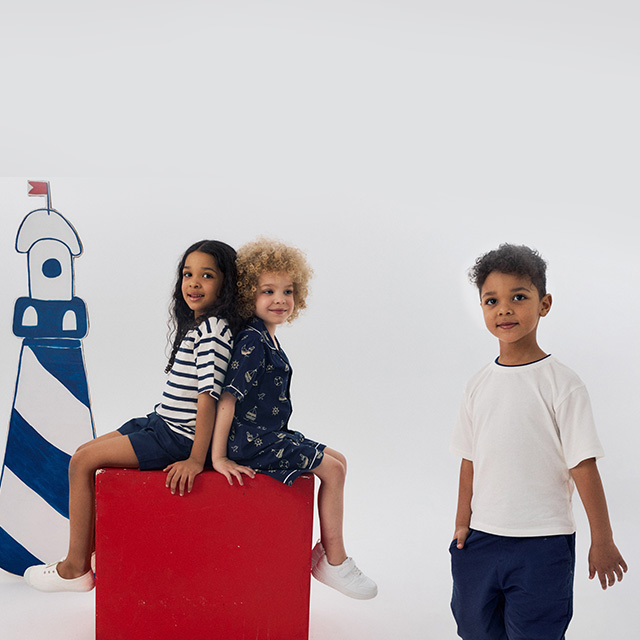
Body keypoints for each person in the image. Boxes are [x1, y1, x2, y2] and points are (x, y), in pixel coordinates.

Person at [24, 239, 242, 592]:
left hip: (177, 436)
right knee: (83, 453)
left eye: (207, 275)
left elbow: (209, 399)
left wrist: (194, 459)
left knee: (82, 463)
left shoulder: (213, 332)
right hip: (159, 421)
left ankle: (75, 568)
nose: (194, 283)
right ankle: (90, 553)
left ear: (226, 284)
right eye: (188, 274)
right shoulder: (201, 326)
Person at [450, 243, 627, 639]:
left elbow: (583, 465)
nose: (504, 309)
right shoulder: (477, 385)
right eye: (492, 301)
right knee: (475, 629)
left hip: (542, 544)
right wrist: (462, 524)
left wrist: (603, 539)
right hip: (481, 540)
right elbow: (468, 460)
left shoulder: (562, 384)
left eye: (518, 297)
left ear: (544, 304)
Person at [210, 238, 377, 600]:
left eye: (287, 291)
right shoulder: (252, 341)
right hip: (251, 442)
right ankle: (335, 561)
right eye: (268, 291)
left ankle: (323, 552)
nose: (280, 299)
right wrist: (219, 456)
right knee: (331, 471)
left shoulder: (268, 338)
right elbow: (227, 398)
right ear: (248, 295)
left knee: (339, 461)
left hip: (271, 433)